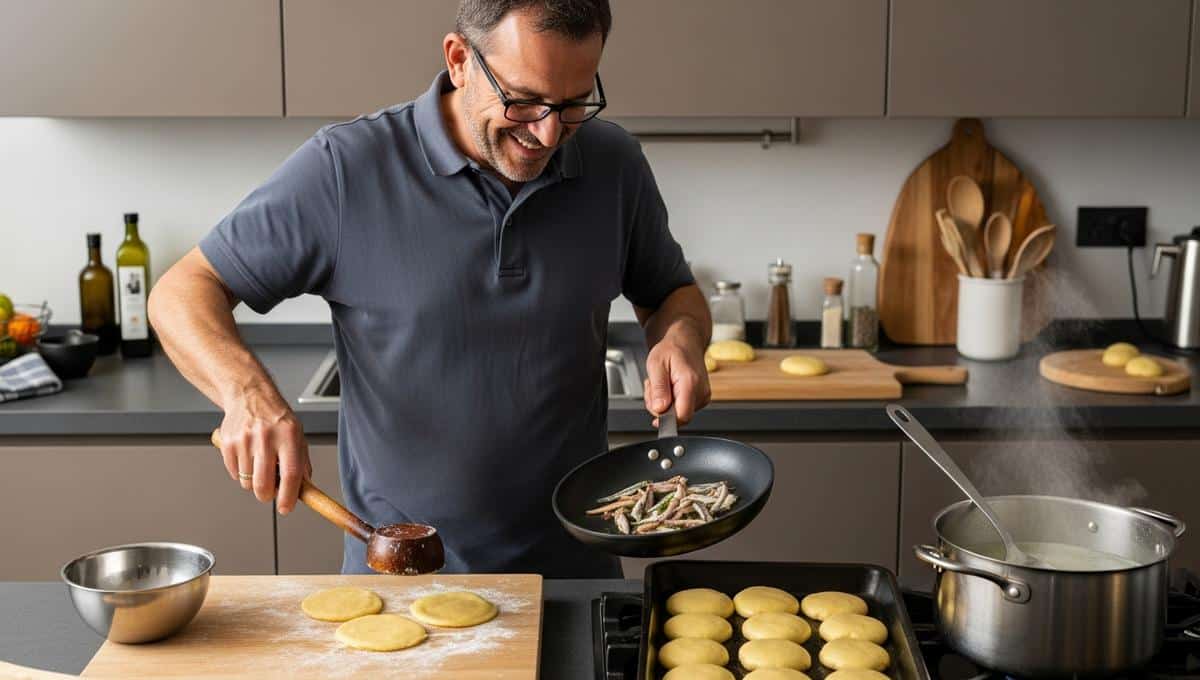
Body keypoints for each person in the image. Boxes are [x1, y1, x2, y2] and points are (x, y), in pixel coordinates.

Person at [148, 0, 711, 577]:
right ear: (459, 59)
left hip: (575, 576)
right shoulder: (347, 169)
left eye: (571, 104)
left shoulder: (613, 164)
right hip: (402, 584)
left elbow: (672, 294)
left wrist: (681, 337)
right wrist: (246, 395)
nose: (547, 133)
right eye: (522, 100)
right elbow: (184, 289)